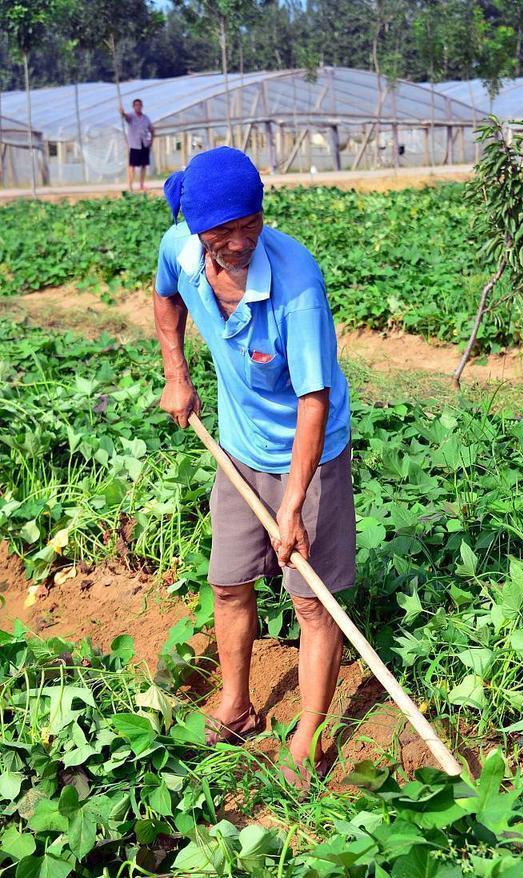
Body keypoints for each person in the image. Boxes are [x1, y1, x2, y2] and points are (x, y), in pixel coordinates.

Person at [154, 147, 355, 789]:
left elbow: (313, 401)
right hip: (240, 449)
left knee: (312, 605)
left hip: (309, 454)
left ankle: (309, 737)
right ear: (195, 228)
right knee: (229, 583)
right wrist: (177, 377)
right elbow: (164, 300)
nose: (240, 241)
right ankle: (236, 707)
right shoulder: (181, 252)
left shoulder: (296, 286)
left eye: (252, 224)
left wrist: (293, 506)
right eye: (224, 231)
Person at [119, 98, 154, 191]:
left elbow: (151, 129)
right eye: (136, 105)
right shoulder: (131, 117)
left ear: (142, 106)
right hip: (134, 144)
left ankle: (141, 185)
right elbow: (125, 117)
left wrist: (151, 141)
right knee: (132, 166)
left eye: (139, 105)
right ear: (134, 107)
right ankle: (130, 185)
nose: (138, 107)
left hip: (144, 144)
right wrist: (122, 112)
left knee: (144, 165)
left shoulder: (145, 118)